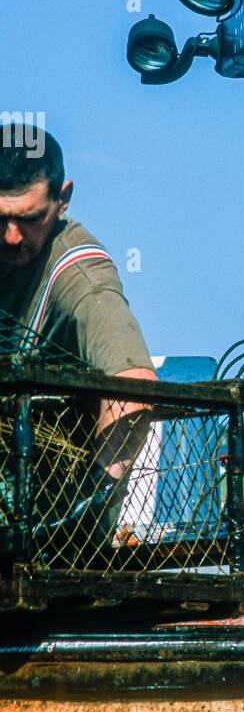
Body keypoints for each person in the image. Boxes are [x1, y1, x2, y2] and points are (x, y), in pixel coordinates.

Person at [0, 122, 156, 480]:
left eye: (29, 219)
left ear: (63, 200)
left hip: (45, 504)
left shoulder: (81, 276)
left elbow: (135, 384)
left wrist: (91, 506)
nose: (11, 237)